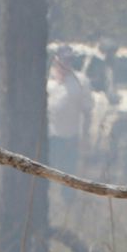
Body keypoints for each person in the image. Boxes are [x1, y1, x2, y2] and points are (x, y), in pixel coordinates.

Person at [47, 46, 92, 175]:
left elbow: (87, 111)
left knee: (68, 173)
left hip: (70, 136)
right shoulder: (47, 80)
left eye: (70, 60)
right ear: (56, 60)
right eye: (65, 59)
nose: (67, 63)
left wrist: (85, 136)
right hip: (50, 137)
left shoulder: (81, 81)